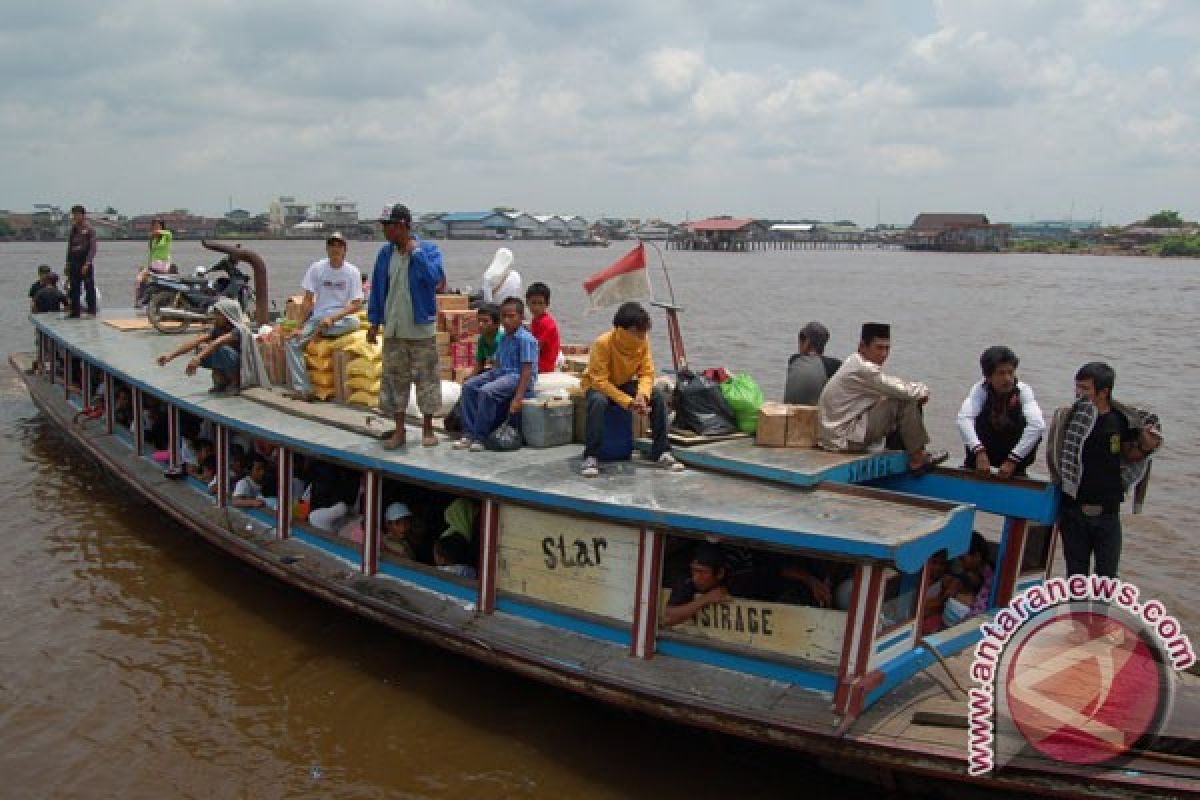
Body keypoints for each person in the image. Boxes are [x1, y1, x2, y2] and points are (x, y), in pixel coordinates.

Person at [1048, 362, 1161, 578]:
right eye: (1077, 387)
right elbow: (1056, 453)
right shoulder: (1069, 418)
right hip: (1074, 511)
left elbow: (1132, 454)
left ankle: (1099, 613)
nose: (1079, 394)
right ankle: (1076, 613)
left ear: (1104, 392)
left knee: (1107, 579)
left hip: (1108, 514)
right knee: (1076, 578)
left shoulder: (1119, 420)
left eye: (1085, 389)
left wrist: (1147, 441)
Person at [817, 322, 947, 473]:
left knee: (892, 397)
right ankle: (918, 459)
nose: (884, 354)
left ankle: (905, 449)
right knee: (905, 401)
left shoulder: (854, 362)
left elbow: (888, 386)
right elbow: (902, 390)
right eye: (879, 348)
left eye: (887, 348)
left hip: (834, 436)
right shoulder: (863, 369)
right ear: (862, 347)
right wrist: (923, 391)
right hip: (843, 438)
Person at [367, 204, 445, 449]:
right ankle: (399, 431)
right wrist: (374, 321)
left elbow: (436, 280)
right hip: (395, 329)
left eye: (387, 226)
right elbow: (379, 289)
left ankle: (428, 430)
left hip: (420, 329)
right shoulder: (384, 254)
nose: (384, 231)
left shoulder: (428, 250)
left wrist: (417, 254)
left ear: (401, 225)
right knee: (394, 380)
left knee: (427, 379)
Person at [578, 301, 683, 478]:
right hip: (597, 386)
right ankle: (591, 455)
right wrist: (628, 402)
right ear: (622, 330)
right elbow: (600, 381)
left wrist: (642, 396)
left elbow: (647, 373)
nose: (642, 337)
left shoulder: (643, 342)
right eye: (638, 333)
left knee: (656, 395)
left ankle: (662, 451)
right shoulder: (602, 344)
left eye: (644, 333)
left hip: (623, 383)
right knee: (598, 401)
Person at [285, 232, 364, 400]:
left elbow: (356, 304)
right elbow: (307, 300)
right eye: (332, 245)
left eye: (339, 246)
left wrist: (333, 318)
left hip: (340, 318)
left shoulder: (352, 272)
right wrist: (299, 326)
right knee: (292, 343)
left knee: (355, 322)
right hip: (318, 317)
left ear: (345, 250)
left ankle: (323, 332)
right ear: (327, 249)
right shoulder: (317, 268)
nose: (335, 249)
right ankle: (304, 388)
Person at [455, 297, 538, 451]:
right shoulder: (505, 338)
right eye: (504, 316)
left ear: (521, 318)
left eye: (511, 316)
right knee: (469, 386)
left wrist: (518, 398)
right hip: (501, 372)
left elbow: (527, 370)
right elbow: (498, 363)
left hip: (516, 376)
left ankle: (480, 437)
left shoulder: (526, 339)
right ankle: (468, 433)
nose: (506, 320)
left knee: (487, 391)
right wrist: (487, 377)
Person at [956, 346, 1045, 479]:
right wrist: (979, 451)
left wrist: (1013, 460)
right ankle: (973, 467)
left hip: (1014, 455)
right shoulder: (980, 390)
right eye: (1001, 373)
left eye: (1010, 372)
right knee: (974, 420)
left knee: (1031, 426)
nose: (1008, 379)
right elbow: (963, 419)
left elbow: (1038, 426)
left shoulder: (1023, 391)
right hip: (984, 452)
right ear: (988, 376)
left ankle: (1018, 473)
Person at [155, 297, 270, 394]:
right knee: (203, 348)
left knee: (222, 350)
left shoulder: (239, 330)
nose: (215, 317)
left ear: (227, 315)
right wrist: (170, 356)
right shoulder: (218, 328)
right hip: (227, 362)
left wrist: (198, 358)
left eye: (218, 314)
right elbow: (197, 341)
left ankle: (235, 383)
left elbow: (218, 342)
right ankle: (221, 381)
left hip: (242, 367)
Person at [663, 542, 731, 627]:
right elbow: (667, 618)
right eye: (694, 570)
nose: (695, 577)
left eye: (702, 572)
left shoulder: (734, 582)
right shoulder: (688, 580)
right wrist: (706, 599)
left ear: (720, 573)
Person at [783, 320, 840, 405]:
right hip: (814, 415)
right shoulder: (833, 365)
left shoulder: (793, 359)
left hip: (790, 413)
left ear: (806, 342)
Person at [64, 204, 98, 318]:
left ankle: (92, 310)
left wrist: (87, 263)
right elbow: (70, 248)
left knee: (89, 286)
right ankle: (75, 311)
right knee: (74, 287)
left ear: (83, 215)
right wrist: (67, 263)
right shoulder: (73, 230)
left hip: (85, 261)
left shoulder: (89, 229)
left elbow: (93, 248)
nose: (75, 216)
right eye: (73, 214)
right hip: (74, 261)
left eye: (77, 214)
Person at [135, 218, 173, 308]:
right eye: (154, 226)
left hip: (163, 264)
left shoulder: (167, 235)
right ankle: (138, 302)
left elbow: (166, 233)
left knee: (144, 278)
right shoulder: (153, 239)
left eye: (157, 225)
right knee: (138, 279)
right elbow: (151, 254)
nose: (155, 227)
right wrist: (147, 266)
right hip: (153, 265)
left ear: (162, 226)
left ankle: (143, 300)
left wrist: (157, 232)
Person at [525, 282, 561, 375]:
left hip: (543, 366)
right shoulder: (535, 320)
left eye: (540, 303)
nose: (536, 307)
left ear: (547, 304)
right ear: (527, 302)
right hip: (537, 362)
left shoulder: (546, 323)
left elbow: (535, 348)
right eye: (533, 303)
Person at [470, 303, 504, 378]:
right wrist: (470, 378)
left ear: (497, 324)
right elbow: (480, 363)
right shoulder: (482, 340)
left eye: (485, 321)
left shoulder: (502, 340)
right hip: (492, 371)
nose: (480, 324)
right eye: (479, 320)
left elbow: (500, 367)